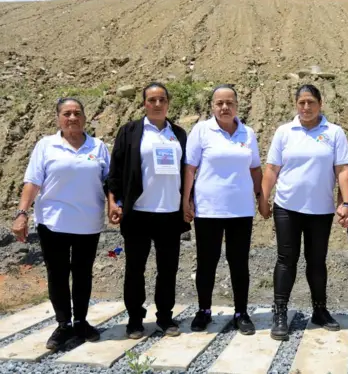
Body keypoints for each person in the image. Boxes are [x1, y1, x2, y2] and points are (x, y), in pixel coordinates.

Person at [11, 98, 110, 350]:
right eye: (67, 113)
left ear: (85, 117)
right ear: (58, 118)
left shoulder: (97, 147)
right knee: (57, 274)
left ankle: (81, 322)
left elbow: (109, 181)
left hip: (88, 223)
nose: (73, 117)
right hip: (53, 223)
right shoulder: (46, 145)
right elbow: (32, 182)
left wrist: (115, 205)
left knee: (82, 274)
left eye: (77, 113)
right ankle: (63, 324)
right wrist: (22, 213)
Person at [259, 84, 348, 341]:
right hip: (287, 207)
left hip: (320, 210)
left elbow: (343, 170)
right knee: (286, 259)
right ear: (296, 104)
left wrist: (346, 203)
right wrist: (263, 198)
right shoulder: (284, 132)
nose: (306, 107)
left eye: (311, 102)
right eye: (301, 102)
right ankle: (280, 313)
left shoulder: (334, 133)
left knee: (317, 261)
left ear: (320, 104)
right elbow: (272, 169)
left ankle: (320, 310)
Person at [107, 82, 190, 339]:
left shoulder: (178, 133)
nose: (157, 104)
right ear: (144, 103)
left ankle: (165, 316)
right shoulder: (130, 131)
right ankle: (134, 318)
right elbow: (116, 171)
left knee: (168, 268)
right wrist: (113, 201)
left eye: (161, 99)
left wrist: (188, 203)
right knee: (135, 267)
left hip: (169, 213)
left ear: (168, 103)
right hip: (138, 213)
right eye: (151, 99)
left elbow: (189, 170)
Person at [183, 85, 262, 335]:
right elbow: (190, 168)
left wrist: (261, 196)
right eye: (219, 103)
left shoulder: (247, 133)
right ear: (212, 106)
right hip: (208, 209)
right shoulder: (202, 130)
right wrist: (186, 200)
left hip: (240, 210)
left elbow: (255, 168)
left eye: (229, 103)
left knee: (239, 263)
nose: (225, 107)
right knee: (207, 262)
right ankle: (203, 310)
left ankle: (241, 312)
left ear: (237, 105)